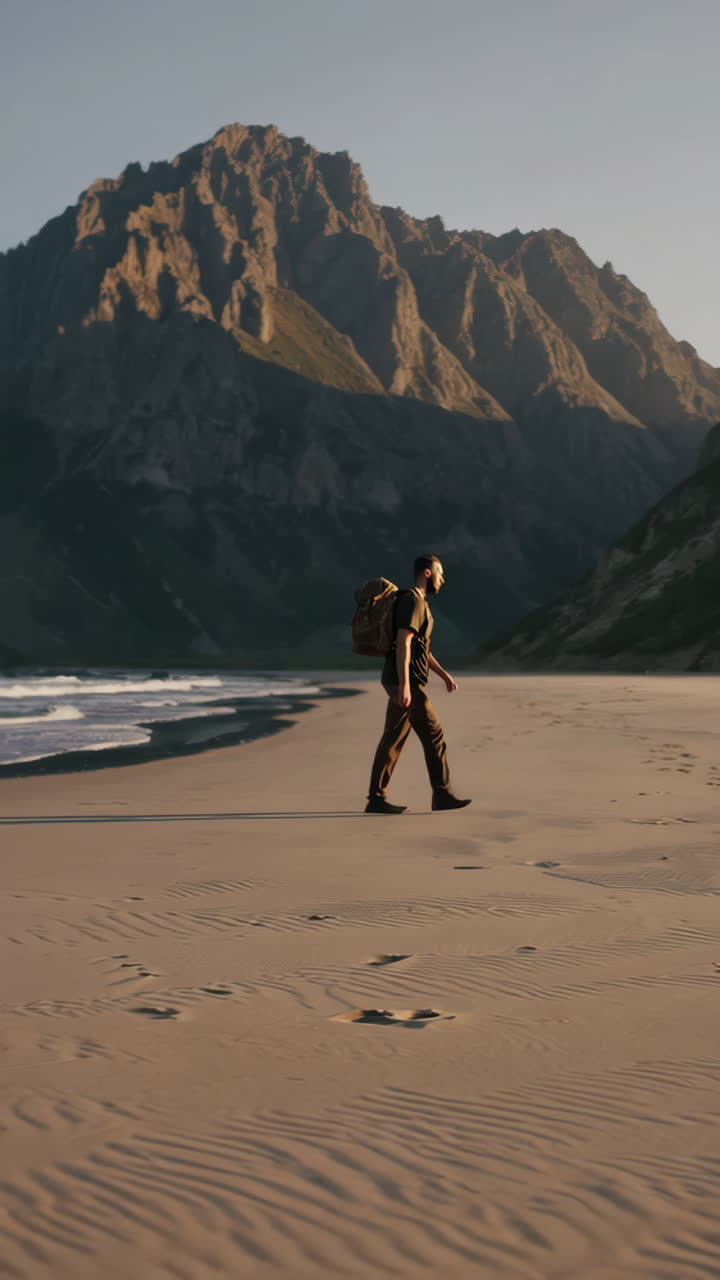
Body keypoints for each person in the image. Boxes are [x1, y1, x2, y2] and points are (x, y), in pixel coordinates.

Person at [365, 554, 471, 814]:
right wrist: (403, 686)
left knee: (393, 738)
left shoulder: (418, 602)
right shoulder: (413, 600)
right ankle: (441, 794)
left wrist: (444, 676)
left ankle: (376, 799)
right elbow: (404, 642)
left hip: (405, 680)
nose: (443, 579)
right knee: (433, 733)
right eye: (440, 573)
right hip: (406, 682)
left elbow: (421, 648)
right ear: (427, 572)